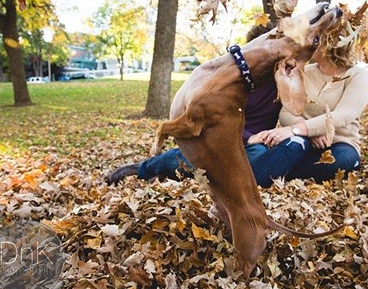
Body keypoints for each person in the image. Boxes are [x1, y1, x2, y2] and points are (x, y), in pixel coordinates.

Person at [107, 24, 305, 184]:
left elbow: (293, 110)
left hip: (252, 149)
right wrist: (250, 137)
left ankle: (185, 168)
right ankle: (145, 168)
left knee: (258, 154)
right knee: (191, 157)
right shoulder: (235, 80)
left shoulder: (282, 80)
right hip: (221, 141)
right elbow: (217, 119)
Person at [247, 28, 368, 186]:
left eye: (313, 40)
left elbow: (344, 114)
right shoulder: (303, 71)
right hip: (302, 141)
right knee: (295, 145)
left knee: (346, 159)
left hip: (337, 144)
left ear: (329, 44)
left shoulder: (357, 75)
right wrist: (306, 132)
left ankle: (272, 174)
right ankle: (258, 179)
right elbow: (287, 111)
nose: (304, 45)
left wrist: (299, 129)